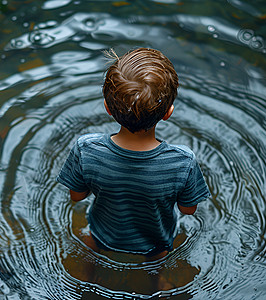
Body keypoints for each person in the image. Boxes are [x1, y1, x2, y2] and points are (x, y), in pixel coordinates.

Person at [57, 48, 211, 259]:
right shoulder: (183, 162)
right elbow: (188, 210)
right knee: (159, 263)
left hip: (102, 234)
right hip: (156, 242)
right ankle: (160, 287)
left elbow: (77, 196)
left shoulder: (87, 148)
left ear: (108, 108)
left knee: (90, 249)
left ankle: (85, 274)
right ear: (168, 113)